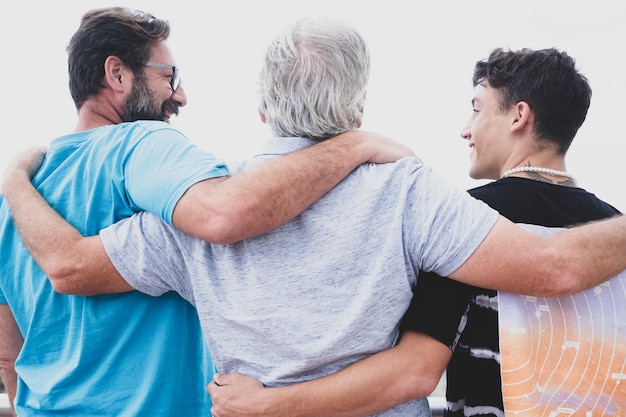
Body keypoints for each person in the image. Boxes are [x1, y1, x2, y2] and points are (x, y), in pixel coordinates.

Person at [4, 19, 626, 417]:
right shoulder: (406, 190)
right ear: (358, 109)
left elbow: (71, 267)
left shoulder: (195, 213)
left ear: (262, 111)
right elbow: (558, 265)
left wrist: (15, 183)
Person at [0, 8, 412, 417]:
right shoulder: (142, 143)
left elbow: (8, 355)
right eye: (169, 76)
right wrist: (354, 146)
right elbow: (222, 214)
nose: (180, 95)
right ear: (118, 74)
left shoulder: (15, 203)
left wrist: (15, 179)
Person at [203, 47, 623, 417]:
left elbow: (414, 372)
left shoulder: (469, 219)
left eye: (477, 109)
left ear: (519, 116)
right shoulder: (612, 232)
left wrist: (263, 405)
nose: (465, 128)